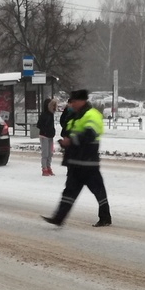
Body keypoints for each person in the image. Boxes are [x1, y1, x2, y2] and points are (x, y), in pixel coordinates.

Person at [42, 89, 112, 227]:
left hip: (88, 163)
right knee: (69, 191)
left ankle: (105, 217)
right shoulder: (75, 115)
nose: (71, 104)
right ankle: (58, 218)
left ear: (81, 101)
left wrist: (71, 141)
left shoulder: (92, 115)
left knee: (98, 191)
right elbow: (68, 131)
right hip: (75, 162)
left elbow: (89, 134)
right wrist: (65, 142)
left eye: (73, 101)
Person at [36, 97, 58, 176]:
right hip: (44, 135)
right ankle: (44, 168)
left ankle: (48, 166)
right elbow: (39, 125)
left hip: (50, 136)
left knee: (50, 153)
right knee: (45, 153)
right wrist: (45, 130)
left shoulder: (51, 114)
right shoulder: (44, 115)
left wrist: (52, 131)